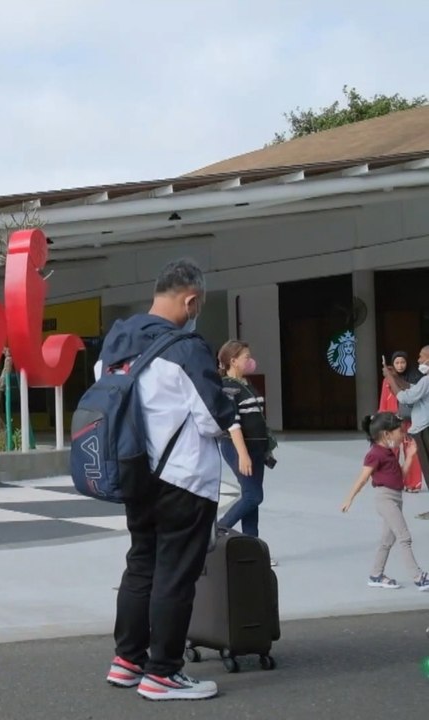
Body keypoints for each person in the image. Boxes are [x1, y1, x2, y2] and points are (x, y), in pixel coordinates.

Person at [97, 259, 252, 702]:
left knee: (141, 562)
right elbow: (212, 418)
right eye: (196, 304)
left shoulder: (117, 342)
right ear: (191, 299)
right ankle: (163, 671)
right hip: (182, 478)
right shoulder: (185, 347)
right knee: (175, 574)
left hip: (133, 471)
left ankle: (127, 660)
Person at [341, 411, 429, 591]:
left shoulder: (389, 453)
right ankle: (418, 576)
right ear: (387, 434)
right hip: (386, 499)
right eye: (400, 432)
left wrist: (411, 456)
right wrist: (349, 499)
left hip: (396, 498)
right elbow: (363, 478)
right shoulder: (375, 454)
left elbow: (400, 479)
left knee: (387, 540)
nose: (403, 435)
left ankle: (376, 574)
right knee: (404, 537)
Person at [215, 340, 277, 561]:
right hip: (239, 446)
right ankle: (217, 532)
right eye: (246, 357)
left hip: (256, 447)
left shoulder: (246, 383)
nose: (250, 361)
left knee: (252, 499)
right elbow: (233, 423)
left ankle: (253, 549)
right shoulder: (227, 386)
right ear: (233, 361)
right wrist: (242, 453)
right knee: (253, 496)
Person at [385, 346, 429, 489]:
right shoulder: (424, 381)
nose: (419, 360)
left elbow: (406, 397)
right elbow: (412, 388)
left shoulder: (426, 380)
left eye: (421, 357)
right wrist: (396, 377)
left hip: (424, 428)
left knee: (426, 466)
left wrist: (390, 378)